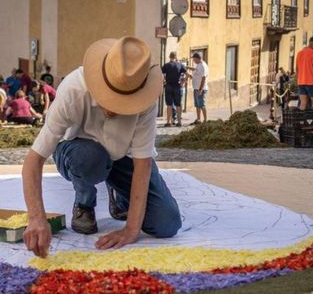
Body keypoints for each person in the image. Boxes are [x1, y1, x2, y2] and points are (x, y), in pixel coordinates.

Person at [22, 36, 181, 259]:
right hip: (77, 152)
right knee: (91, 159)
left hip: (121, 156)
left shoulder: (146, 100)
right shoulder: (73, 90)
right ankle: (84, 203)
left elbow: (142, 165)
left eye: (124, 102)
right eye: (111, 98)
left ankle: (120, 196)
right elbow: (33, 160)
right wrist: (36, 218)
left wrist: (131, 230)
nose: (115, 108)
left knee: (167, 223)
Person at [161, 52, 187, 127]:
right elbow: (187, 74)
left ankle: (168, 122)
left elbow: (161, 74)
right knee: (178, 105)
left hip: (168, 86)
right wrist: (183, 81)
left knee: (169, 105)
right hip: (177, 86)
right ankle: (179, 122)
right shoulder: (180, 65)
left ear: (169, 57)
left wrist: (163, 81)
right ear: (176, 57)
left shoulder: (166, 65)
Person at [295, 37, 313, 110]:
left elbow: (297, 68)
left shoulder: (299, 53)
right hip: (311, 82)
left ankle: (300, 120)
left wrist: (298, 79)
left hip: (301, 82)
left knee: (303, 103)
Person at [188, 52, 208, 124]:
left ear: (197, 58)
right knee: (197, 105)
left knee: (202, 104)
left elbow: (203, 78)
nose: (193, 60)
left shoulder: (203, 66)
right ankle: (198, 119)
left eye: (194, 59)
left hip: (200, 89)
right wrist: (187, 67)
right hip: (196, 88)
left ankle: (205, 120)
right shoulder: (198, 65)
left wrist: (200, 89)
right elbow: (195, 69)